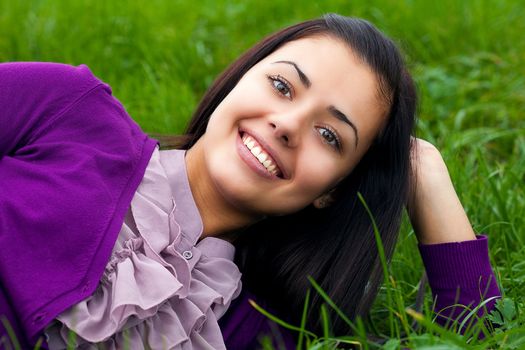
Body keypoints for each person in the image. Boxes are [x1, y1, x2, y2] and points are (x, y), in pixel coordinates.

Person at [0, 14, 499, 349]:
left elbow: (479, 337)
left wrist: (425, 173)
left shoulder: (264, 324)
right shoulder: (70, 111)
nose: (287, 124)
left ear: (332, 191)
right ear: (238, 78)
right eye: (281, 86)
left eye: (329, 135)